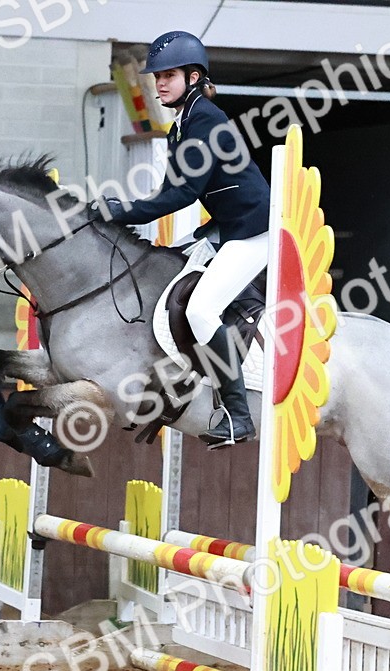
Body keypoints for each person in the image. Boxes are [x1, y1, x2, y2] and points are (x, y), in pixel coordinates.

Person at [100, 31, 270, 448]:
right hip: (226, 230)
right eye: (156, 76)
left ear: (193, 77)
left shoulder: (206, 119)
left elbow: (181, 195)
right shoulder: (183, 123)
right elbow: (170, 191)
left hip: (255, 233)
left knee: (200, 310)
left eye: (168, 75)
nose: (158, 83)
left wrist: (121, 212)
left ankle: (237, 416)